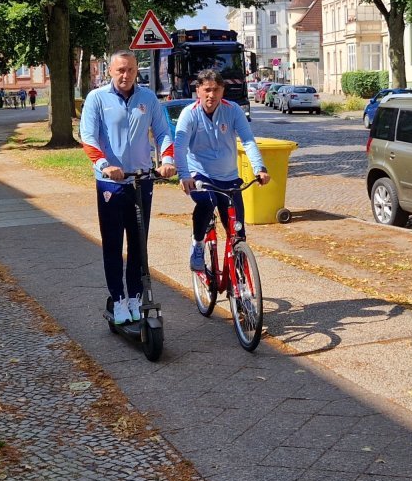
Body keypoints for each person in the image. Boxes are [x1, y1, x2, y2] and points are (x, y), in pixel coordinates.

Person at [79, 50, 176, 325]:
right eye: (120, 70)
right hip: (112, 183)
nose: (125, 75)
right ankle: (118, 299)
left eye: (130, 70)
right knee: (112, 243)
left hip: (142, 180)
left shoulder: (147, 98)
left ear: (137, 71)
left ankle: (135, 296)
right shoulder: (97, 99)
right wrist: (104, 164)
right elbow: (87, 137)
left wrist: (167, 160)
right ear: (110, 71)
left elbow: (163, 132)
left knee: (138, 244)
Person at [173, 69, 270, 271]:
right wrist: (183, 176)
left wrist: (259, 168)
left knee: (237, 231)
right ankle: (198, 244)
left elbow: (248, 140)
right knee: (207, 202)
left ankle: (240, 279)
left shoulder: (232, 110)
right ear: (198, 90)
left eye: (216, 90)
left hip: (229, 178)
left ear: (222, 91)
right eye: (207, 90)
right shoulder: (189, 114)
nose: (211, 95)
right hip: (200, 176)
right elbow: (179, 147)